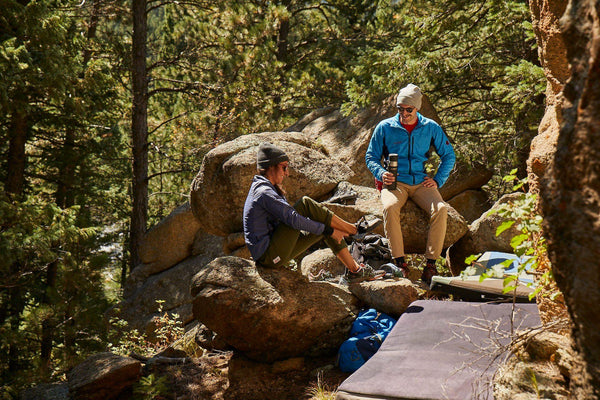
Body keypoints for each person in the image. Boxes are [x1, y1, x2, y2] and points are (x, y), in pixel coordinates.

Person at [243, 142, 382, 283]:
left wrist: (328, 229)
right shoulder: (263, 192)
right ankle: (354, 230)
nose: (287, 173)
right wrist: (328, 230)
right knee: (305, 204)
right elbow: (293, 220)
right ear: (270, 167)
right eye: (284, 167)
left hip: (273, 253)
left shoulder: (267, 188)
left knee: (324, 224)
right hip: (269, 256)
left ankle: (356, 270)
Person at [365, 84, 456, 285]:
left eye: (409, 109)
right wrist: (381, 173)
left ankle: (430, 265)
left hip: (421, 182)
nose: (404, 113)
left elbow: (449, 155)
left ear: (417, 108)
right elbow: (371, 156)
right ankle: (400, 264)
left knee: (440, 209)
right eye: (400, 108)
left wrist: (438, 180)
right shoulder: (385, 127)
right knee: (390, 207)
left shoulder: (431, 127)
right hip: (395, 183)